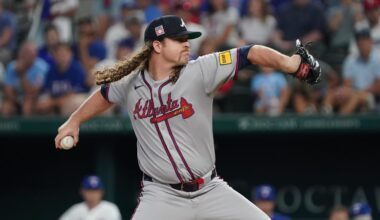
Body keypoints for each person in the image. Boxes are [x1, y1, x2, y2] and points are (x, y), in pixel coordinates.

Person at [55, 15, 320, 219]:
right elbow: (104, 95)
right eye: (179, 39)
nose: (187, 43)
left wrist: (289, 64)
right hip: (161, 195)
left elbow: (249, 52)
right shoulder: (131, 83)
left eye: (187, 38)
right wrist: (74, 121)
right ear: (157, 45)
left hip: (210, 189)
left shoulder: (200, 70)